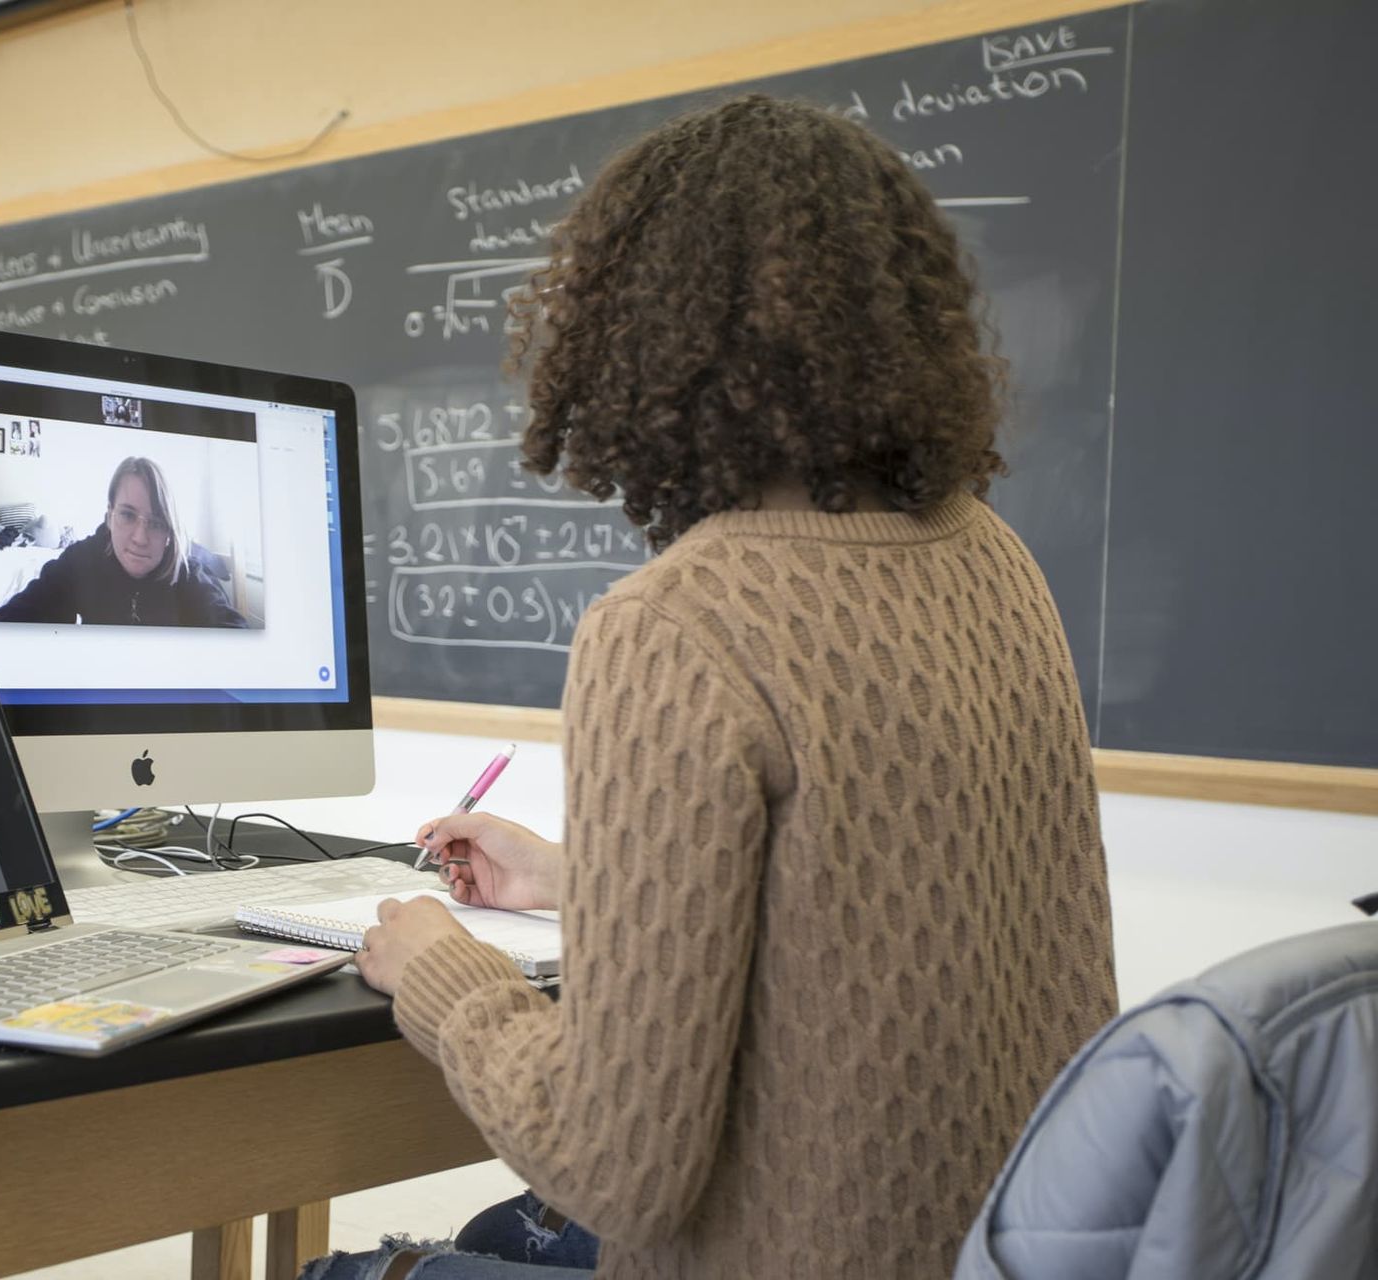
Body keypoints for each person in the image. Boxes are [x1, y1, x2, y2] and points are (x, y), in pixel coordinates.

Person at [303, 94, 1118, 1280]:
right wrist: (585, 877)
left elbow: (617, 1161)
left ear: (632, 337)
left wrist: (443, 972)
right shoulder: (994, 558)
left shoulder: (676, 626)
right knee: (493, 1235)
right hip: (993, 1249)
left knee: (352, 1269)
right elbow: (864, 904)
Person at [0, 455, 248, 628]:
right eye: (127, 515)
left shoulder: (189, 574)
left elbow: (237, 642)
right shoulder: (82, 561)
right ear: (110, 515)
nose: (139, 538)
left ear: (169, 531)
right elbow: (8, 623)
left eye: (156, 522)